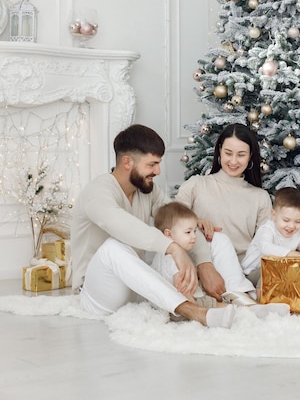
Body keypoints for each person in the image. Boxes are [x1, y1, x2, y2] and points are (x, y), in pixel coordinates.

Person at [71, 124, 234, 329]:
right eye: (151, 164)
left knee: (200, 234)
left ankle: (237, 301)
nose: (157, 171)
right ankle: (193, 311)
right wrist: (173, 248)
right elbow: (121, 225)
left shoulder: (148, 190)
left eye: (158, 164)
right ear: (127, 162)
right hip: (95, 295)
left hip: (135, 291)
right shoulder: (97, 191)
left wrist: (204, 263)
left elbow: (177, 221)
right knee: (114, 247)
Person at [152, 200, 290, 318]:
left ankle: (248, 310)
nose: (194, 236)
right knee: (210, 304)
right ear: (168, 234)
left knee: (211, 302)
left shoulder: (176, 252)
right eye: (188, 232)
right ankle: (248, 312)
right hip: (180, 306)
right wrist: (195, 311)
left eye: (195, 231)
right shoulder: (172, 258)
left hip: (186, 300)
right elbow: (182, 290)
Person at [176, 123, 272, 264]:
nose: (233, 161)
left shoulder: (260, 197)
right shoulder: (196, 184)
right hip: (203, 266)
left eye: (241, 155)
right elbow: (170, 220)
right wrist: (195, 222)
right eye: (228, 153)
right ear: (220, 150)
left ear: (250, 155)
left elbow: (269, 243)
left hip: (244, 270)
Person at [241, 187, 300, 286]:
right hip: (252, 273)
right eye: (286, 220)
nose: (291, 226)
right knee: (271, 270)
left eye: (298, 221)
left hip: (279, 271)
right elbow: (266, 248)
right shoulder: (267, 229)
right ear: (274, 215)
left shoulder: (298, 234)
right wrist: (294, 255)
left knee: (297, 273)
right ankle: (261, 299)